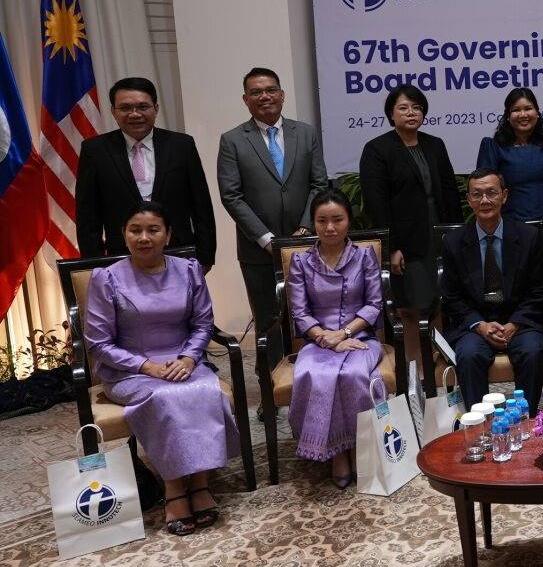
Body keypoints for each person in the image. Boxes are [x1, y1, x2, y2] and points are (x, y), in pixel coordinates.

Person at [82, 201, 239, 535]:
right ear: (123, 235)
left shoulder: (189, 270)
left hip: (183, 361)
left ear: (167, 234)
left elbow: (202, 324)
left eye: (153, 229)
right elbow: (98, 344)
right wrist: (146, 366)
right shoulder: (106, 279)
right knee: (166, 399)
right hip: (130, 371)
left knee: (203, 390)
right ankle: (174, 488)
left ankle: (198, 482)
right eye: (135, 230)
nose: (144, 237)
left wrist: (187, 358)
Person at [217, 67, 330, 367]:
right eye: (256, 92)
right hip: (258, 249)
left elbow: (319, 183)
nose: (264, 96)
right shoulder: (232, 140)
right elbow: (231, 195)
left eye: (270, 90)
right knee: (269, 318)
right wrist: (266, 239)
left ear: (282, 94)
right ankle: (271, 387)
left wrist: (306, 227)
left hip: (306, 243)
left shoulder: (304, 132)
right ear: (245, 99)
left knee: (311, 310)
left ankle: (310, 375)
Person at [285, 190, 384, 489]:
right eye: (322, 221)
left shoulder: (364, 255)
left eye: (337, 220)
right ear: (313, 223)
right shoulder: (301, 261)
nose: (330, 227)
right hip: (316, 342)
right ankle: (338, 451)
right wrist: (326, 339)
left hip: (359, 338)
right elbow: (300, 313)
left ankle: (359, 447)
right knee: (311, 373)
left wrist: (344, 334)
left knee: (353, 374)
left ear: (348, 221)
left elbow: (374, 304)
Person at [359, 85, 462, 361]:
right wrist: (390, 247)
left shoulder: (435, 144)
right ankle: (416, 367)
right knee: (413, 306)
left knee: (441, 301)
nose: (411, 113)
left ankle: (441, 365)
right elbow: (375, 204)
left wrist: (457, 235)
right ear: (391, 115)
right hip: (405, 242)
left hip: (438, 233)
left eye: (416, 107)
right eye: (403, 108)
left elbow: (450, 192)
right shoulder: (377, 149)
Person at [75, 77, 216, 269]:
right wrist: (94, 264)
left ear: (156, 108)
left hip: (179, 256)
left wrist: (205, 257)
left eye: (143, 107)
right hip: (120, 259)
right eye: (125, 108)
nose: (135, 114)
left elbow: (201, 206)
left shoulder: (182, 145)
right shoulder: (95, 150)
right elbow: (88, 215)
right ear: (113, 112)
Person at [438, 169, 543, 410]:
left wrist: (515, 324)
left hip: (519, 322)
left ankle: (525, 420)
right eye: (477, 195)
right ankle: (481, 425)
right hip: (475, 325)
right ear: (469, 200)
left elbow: (539, 291)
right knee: (468, 355)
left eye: (491, 193)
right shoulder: (454, 242)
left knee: (532, 352)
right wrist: (480, 326)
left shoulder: (529, 237)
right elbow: (452, 297)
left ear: (504, 195)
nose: (485, 201)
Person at [476, 88, 543, 307]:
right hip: (513, 234)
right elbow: (486, 191)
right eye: (516, 110)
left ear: (538, 112)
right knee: (520, 293)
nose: (523, 114)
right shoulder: (495, 147)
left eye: (528, 108)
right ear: (507, 116)